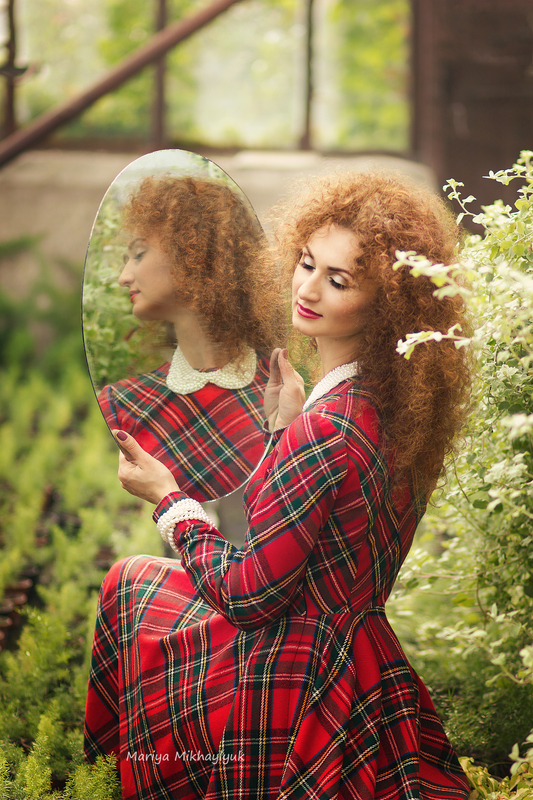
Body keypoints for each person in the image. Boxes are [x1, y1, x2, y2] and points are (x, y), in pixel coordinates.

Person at [84, 171, 471, 799]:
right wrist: (282, 430)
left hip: (291, 676)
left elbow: (246, 595)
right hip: (359, 657)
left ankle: (111, 774)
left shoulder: (329, 427)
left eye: (338, 280)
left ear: (388, 305)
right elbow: (302, 532)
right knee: (137, 580)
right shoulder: (392, 406)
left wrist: (170, 500)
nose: (307, 288)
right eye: (307, 262)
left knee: (131, 589)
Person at [96, 175, 286, 501]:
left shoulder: (285, 392)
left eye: (138, 254)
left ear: (193, 254)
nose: (123, 277)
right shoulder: (123, 404)